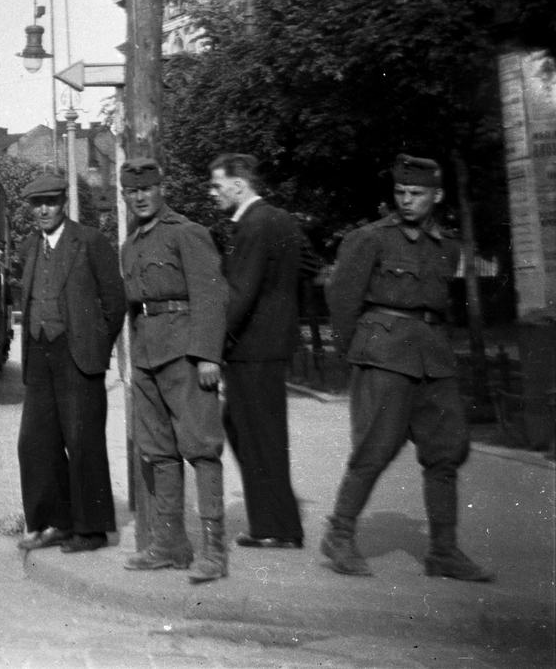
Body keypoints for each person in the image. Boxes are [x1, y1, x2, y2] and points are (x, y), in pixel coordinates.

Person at [321, 155, 492, 581]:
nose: (407, 200)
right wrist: (355, 353)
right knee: (373, 451)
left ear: (437, 195)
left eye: (416, 193)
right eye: (401, 192)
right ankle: (339, 535)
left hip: (433, 358)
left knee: (446, 453)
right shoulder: (369, 239)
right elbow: (342, 299)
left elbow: (440, 306)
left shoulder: (447, 247)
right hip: (383, 354)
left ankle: (444, 551)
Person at [119, 158, 230, 583]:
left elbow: (211, 295)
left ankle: (213, 551)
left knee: (201, 447)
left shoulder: (187, 233)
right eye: (132, 191)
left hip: (185, 354)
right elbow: (134, 307)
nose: (140, 197)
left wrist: (208, 356)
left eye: (147, 189)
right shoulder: (131, 244)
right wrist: (131, 365)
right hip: (147, 355)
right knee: (159, 451)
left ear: (160, 188)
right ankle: (171, 544)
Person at [4, 174, 126, 555]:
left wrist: (95, 345)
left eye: (50, 202)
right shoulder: (30, 247)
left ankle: (92, 530)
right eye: (36, 204)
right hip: (40, 355)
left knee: (83, 441)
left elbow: (115, 302)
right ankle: (53, 522)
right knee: (34, 443)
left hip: (78, 356)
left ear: (64, 204)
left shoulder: (89, 242)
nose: (43, 210)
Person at [208, 153, 306, 550]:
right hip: (273, 345)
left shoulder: (251, 225)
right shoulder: (282, 220)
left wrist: (212, 346)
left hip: (250, 349)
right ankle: (275, 523)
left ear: (239, 185)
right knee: (256, 432)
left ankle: (275, 528)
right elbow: (310, 266)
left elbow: (239, 294)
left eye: (216, 185)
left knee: (254, 435)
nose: (212, 192)